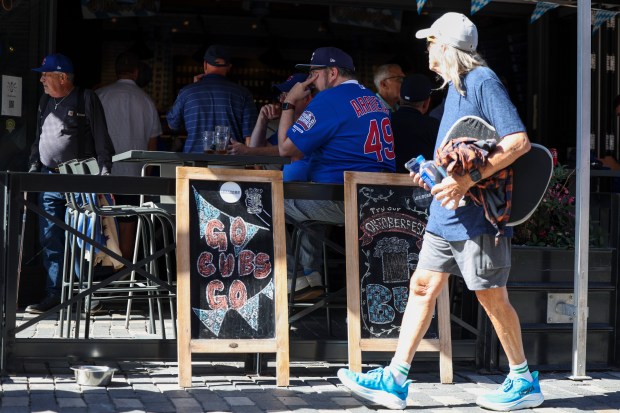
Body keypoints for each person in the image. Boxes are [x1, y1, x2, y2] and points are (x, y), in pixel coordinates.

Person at [337, 12, 544, 411]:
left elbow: (518, 142)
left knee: (491, 297)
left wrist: (467, 181)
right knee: (421, 287)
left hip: (476, 214)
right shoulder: (456, 87)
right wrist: (435, 173)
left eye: (431, 43)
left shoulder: (483, 81)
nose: (427, 50)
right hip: (446, 213)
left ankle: (522, 380)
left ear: (446, 48)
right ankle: (396, 378)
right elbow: (463, 148)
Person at [278, 47, 396, 298]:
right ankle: (311, 277)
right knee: (306, 205)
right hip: (380, 200)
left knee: (263, 202)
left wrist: (290, 102)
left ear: (332, 73)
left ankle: (295, 278)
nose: (310, 81)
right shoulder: (374, 99)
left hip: (344, 201)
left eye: (314, 74)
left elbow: (286, 150)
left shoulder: (329, 100)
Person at [26, 53, 115, 314]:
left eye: (46, 74)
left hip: (80, 180)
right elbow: (38, 138)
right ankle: (55, 295)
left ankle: (87, 297)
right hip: (49, 177)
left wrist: (105, 171)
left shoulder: (86, 98)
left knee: (82, 239)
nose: (41, 79)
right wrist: (33, 166)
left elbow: (102, 137)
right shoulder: (45, 101)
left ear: (62, 77)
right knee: (50, 239)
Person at [96, 51, 162, 261]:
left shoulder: (100, 95)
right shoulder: (146, 101)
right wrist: (147, 173)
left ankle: (100, 271)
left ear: (116, 71)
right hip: (134, 174)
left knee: (100, 222)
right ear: (135, 72)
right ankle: (125, 271)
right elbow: (153, 144)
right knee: (128, 223)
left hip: (102, 171)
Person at [166, 44, 258, 153]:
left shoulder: (187, 93)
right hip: (231, 163)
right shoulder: (243, 94)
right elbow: (250, 138)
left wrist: (194, 91)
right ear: (229, 67)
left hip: (194, 163)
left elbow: (172, 125)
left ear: (205, 64)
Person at [229, 72, 313, 182]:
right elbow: (256, 148)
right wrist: (262, 119)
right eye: (281, 96)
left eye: (288, 95)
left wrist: (248, 151)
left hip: (309, 189)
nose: (282, 100)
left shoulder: (312, 119)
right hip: (290, 188)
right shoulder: (291, 123)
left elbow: (287, 150)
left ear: (306, 98)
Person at [392, 74, 440, 172]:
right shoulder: (434, 126)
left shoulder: (385, 121)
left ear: (400, 98)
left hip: (384, 184)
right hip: (422, 184)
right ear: (426, 103)